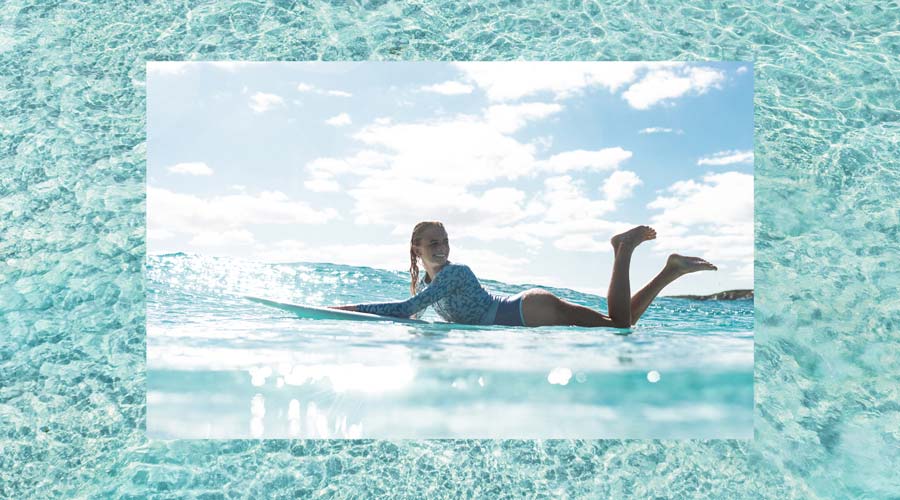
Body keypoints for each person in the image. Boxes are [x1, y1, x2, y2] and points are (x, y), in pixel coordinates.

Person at [330, 221, 717, 327]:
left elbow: (405, 308)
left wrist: (347, 309)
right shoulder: (436, 282)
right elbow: (413, 313)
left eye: (444, 240)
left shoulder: (452, 273)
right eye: (433, 243)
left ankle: (623, 249)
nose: (441, 247)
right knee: (621, 322)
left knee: (618, 326)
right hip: (526, 309)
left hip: (526, 312)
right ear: (416, 249)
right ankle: (670, 271)